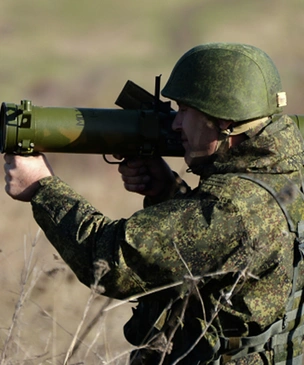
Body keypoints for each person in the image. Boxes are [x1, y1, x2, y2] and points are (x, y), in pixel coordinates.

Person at [4, 43, 304, 365]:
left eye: (186, 111)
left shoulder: (232, 209)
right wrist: (167, 193)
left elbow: (111, 262)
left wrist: (41, 188)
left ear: (224, 122)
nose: (176, 125)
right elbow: (217, 250)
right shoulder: (283, 172)